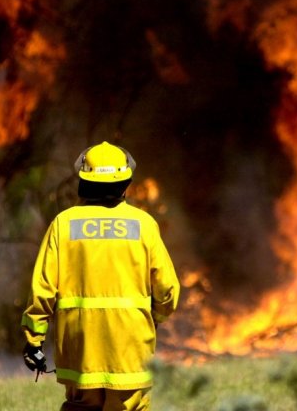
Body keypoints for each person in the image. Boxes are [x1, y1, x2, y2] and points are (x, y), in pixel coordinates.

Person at [21, 141, 180, 411]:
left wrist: (33, 341)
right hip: (129, 351)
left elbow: (42, 290)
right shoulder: (143, 225)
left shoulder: (64, 224)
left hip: (81, 352)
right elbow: (167, 290)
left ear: (84, 181)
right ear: (124, 181)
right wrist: (153, 319)